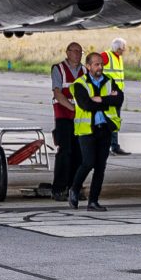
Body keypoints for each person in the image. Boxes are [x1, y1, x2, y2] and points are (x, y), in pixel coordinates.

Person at [69, 49, 116, 210]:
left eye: (101, 64)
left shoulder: (109, 81)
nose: (100, 67)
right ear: (88, 66)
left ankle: (93, 201)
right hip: (87, 130)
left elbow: (119, 100)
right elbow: (86, 105)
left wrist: (101, 99)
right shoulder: (79, 84)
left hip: (105, 129)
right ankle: (74, 189)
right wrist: (108, 100)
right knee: (88, 162)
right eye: (96, 64)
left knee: (100, 167)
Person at [47, 40, 84, 201]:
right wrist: (72, 108)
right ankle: (59, 188)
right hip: (64, 115)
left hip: (80, 118)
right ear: (67, 53)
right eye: (74, 51)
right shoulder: (59, 69)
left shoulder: (84, 70)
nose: (77, 54)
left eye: (80, 52)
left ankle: (74, 187)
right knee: (65, 151)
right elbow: (58, 93)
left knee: (79, 153)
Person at [104, 42, 130, 154]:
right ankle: (105, 147)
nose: (124, 51)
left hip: (117, 95)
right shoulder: (106, 56)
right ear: (117, 48)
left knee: (115, 121)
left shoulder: (118, 57)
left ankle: (114, 146)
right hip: (108, 94)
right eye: (122, 49)